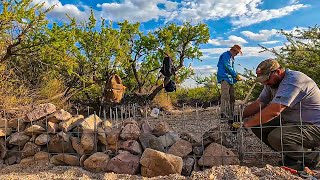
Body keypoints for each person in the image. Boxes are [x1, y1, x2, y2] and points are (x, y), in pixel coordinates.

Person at [242, 59, 320, 170]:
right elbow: (259, 103)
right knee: (258, 125)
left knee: (276, 137)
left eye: (266, 79)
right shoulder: (271, 83)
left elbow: (274, 111)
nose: (265, 83)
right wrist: (240, 116)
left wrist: (246, 124)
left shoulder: (293, 81)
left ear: (278, 72)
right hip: (294, 122)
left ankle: (314, 158)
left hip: (314, 126)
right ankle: (293, 155)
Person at [217, 44, 243, 118]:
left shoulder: (232, 58)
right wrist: (236, 75)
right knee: (225, 96)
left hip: (230, 79)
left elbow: (232, 68)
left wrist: (235, 77)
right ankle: (223, 113)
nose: (236, 54)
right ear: (232, 50)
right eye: (236, 53)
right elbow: (227, 66)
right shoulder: (225, 55)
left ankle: (231, 113)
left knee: (232, 96)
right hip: (224, 77)